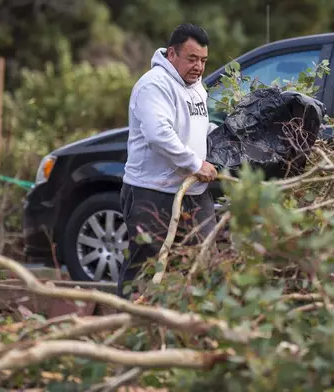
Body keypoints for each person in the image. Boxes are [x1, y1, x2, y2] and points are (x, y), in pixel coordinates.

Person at [117, 23, 219, 298]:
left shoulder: (197, 87)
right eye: (192, 59)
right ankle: (129, 327)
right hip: (153, 193)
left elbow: (194, 127)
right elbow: (159, 135)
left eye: (203, 60)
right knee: (145, 266)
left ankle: (191, 328)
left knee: (205, 260)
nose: (198, 67)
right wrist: (196, 164)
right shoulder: (153, 85)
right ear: (172, 54)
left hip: (194, 192)